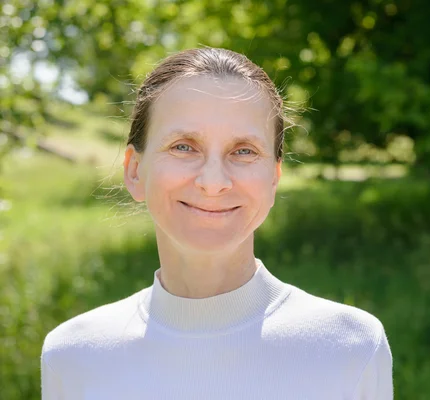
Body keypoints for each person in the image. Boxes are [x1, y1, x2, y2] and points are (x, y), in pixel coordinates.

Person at [40, 47, 394, 399]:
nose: (213, 182)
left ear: (273, 177)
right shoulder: (73, 357)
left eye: (243, 151)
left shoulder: (351, 349)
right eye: (183, 147)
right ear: (134, 170)